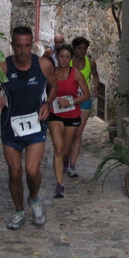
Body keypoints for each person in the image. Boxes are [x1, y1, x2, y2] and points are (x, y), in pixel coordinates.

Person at [0, 26, 58, 230]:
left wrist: (47, 104)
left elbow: (54, 87)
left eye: (27, 46)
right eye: (18, 46)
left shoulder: (44, 65)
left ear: (33, 45)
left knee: (32, 170)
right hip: (11, 128)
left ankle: (34, 198)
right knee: (15, 173)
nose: (22, 51)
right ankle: (19, 211)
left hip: (36, 125)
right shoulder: (2, 67)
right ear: (12, 45)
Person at [47, 44, 90, 199]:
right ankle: (60, 185)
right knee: (58, 148)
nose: (64, 59)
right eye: (61, 56)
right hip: (55, 114)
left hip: (72, 114)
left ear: (71, 59)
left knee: (65, 149)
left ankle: (66, 160)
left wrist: (70, 102)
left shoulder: (76, 74)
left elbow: (86, 94)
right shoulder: (51, 73)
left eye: (67, 57)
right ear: (57, 57)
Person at [66, 36, 99, 178]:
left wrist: (96, 88)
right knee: (68, 133)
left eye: (84, 48)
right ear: (74, 49)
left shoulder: (90, 63)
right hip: (69, 100)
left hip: (84, 101)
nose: (82, 51)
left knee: (78, 132)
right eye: (79, 48)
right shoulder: (68, 62)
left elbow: (95, 76)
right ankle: (64, 158)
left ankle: (72, 165)